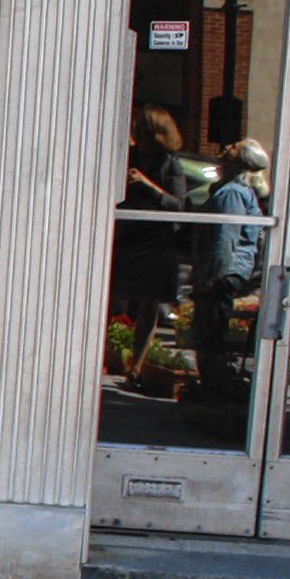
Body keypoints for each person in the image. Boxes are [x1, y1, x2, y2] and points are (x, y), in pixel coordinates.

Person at [109, 107, 188, 381]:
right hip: (125, 236)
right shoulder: (126, 157)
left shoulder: (170, 163)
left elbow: (179, 204)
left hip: (155, 241)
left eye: (142, 127)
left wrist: (149, 186)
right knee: (112, 297)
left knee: (148, 304)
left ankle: (136, 366)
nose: (136, 132)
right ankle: (108, 356)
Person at [191, 138, 269, 404]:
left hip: (222, 274)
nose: (225, 149)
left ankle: (212, 391)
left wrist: (211, 278)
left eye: (233, 147)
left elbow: (226, 237)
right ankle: (212, 387)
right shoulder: (235, 191)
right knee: (212, 330)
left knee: (209, 333)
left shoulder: (233, 193)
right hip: (228, 272)